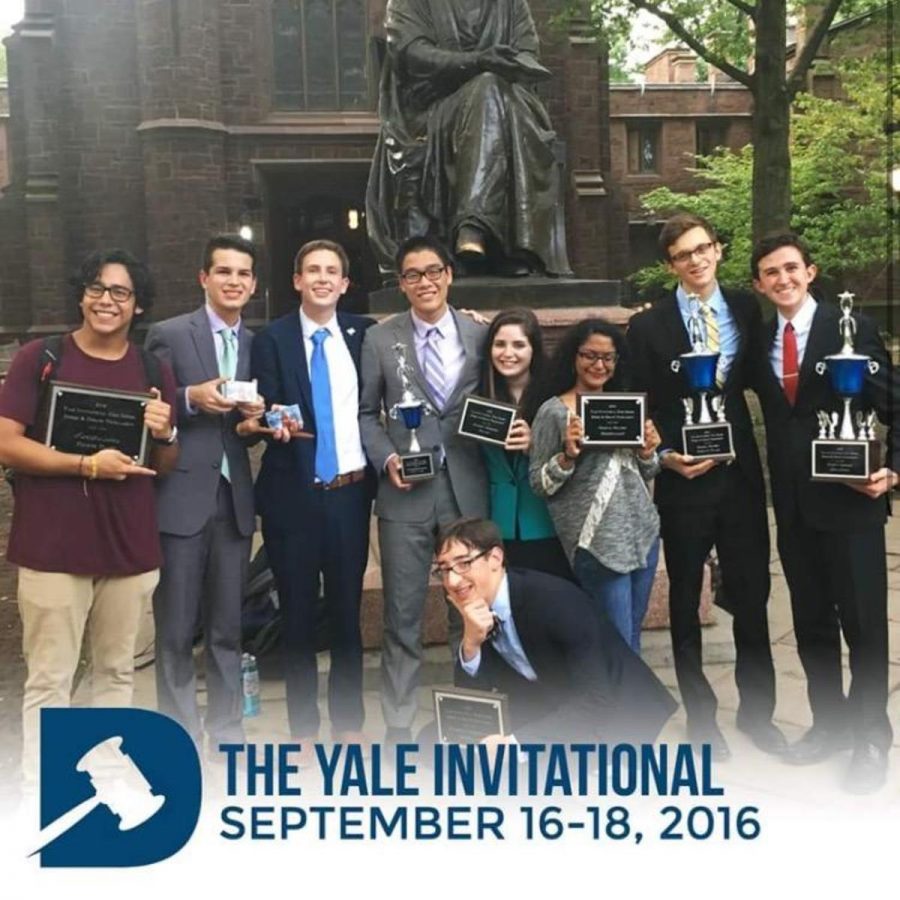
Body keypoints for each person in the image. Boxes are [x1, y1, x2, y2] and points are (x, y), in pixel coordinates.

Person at [0, 249, 177, 784]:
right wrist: (86, 465)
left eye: (120, 292)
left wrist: (166, 432)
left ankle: (102, 791)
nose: (107, 300)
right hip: (54, 548)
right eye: (97, 289)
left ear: (137, 306)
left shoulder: (152, 369)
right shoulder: (42, 357)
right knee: (51, 680)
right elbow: (7, 444)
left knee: (116, 676)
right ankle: (44, 793)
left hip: (127, 547)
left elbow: (163, 465)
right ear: (81, 295)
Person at [626, 213, 784, 760]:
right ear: (669, 264)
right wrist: (664, 456)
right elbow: (633, 407)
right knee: (687, 599)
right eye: (682, 254)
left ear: (717, 250)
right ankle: (700, 717)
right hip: (684, 480)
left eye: (702, 249)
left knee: (754, 596)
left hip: (739, 477)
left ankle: (760, 714)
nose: (695, 260)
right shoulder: (648, 327)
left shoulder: (744, 308)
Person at [750, 232, 897, 793]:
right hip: (793, 510)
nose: (782, 279)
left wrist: (894, 472)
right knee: (812, 625)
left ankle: (869, 740)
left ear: (809, 272)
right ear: (760, 284)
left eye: (791, 268)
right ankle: (830, 726)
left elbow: (894, 404)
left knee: (863, 630)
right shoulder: (763, 340)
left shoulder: (850, 328)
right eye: (770, 272)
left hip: (852, 507)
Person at [359, 235, 488, 743]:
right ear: (402, 283)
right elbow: (367, 412)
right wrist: (386, 456)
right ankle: (398, 724)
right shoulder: (378, 338)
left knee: (471, 610)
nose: (425, 282)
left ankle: (471, 716)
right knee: (403, 615)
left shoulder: (479, 334)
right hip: (405, 494)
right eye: (412, 275)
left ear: (449, 275)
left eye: (433, 271)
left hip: (467, 489)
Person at [251, 240, 375, 754]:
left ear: (345, 284)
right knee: (297, 615)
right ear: (297, 280)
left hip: (349, 496)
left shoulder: (366, 334)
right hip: (292, 497)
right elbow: (257, 411)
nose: (323, 278)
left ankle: (348, 722)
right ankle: (302, 729)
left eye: (333, 271)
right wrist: (263, 425)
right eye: (313, 270)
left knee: (347, 615)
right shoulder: (272, 339)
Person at [145, 234, 264, 755]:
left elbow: (256, 411)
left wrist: (259, 423)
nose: (233, 281)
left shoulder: (259, 343)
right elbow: (144, 399)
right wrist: (188, 398)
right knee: (174, 631)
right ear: (204, 278)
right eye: (223, 272)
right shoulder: (169, 334)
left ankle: (226, 730)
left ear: (253, 284)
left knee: (227, 628)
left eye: (242, 274)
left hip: (234, 497)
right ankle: (177, 735)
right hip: (179, 495)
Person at [366, 0, 571, 278]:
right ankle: (482, 230)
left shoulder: (511, 4)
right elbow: (412, 53)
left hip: (508, 104)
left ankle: (476, 231)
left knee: (491, 91)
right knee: (486, 88)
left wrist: (512, 65)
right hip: (432, 109)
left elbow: (527, 50)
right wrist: (477, 62)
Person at [435, 517, 677, 744]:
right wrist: (471, 644)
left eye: (464, 564)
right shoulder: (476, 605)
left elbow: (596, 699)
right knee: (433, 740)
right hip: (549, 703)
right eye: (445, 569)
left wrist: (517, 743)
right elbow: (472, 706)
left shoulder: (555, 602)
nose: (453, 581)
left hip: (615, 716)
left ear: (496, 559)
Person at [529, 320, 661, 653]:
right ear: (573, 357)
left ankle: (632, 705)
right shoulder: (553, 412)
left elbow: (645, 470)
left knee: (632, 638)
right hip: (595, 542)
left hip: (642, 536)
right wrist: (568, 457)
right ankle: (616, 706)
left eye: (609, 358)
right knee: (614, 644)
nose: (599, 365)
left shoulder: (625, 406)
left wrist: (648, 452)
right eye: (590, 355)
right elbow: (538, 483)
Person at [478, 308, 571, 580]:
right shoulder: (479, 396)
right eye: (500, 344)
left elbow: (574, 455)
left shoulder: (555, 398)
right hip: (498, 524)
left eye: (519, 344)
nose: (508, 353)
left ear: (534, 349)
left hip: (546, 521)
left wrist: (537, 445)